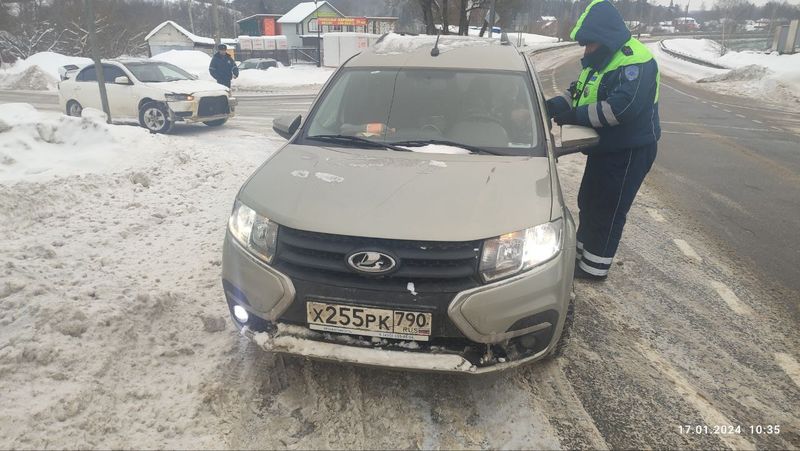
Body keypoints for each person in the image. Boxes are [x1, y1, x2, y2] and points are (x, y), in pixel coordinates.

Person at [546, 0, 660, 281]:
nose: (586, 50)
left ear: (605, 38)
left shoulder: (636, 62)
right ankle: (582, 258)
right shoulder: (600, 61)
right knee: (590, 201)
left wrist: (573, 117)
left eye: (589, 44)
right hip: (606, 148)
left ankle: (594, 270)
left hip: (630, 151)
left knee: (608, 209)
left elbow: (619, 109)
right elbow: (578, 94)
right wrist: (549, 106)